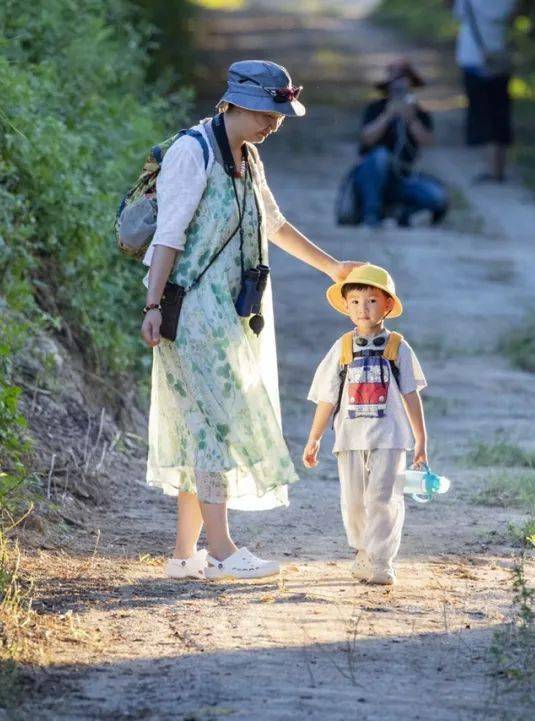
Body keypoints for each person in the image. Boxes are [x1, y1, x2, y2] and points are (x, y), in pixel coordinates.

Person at [139, 60, 361, 581]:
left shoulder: (248, 156)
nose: (275, 122)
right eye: (268, 111)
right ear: (235, 102)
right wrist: (152, 307)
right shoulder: (192, 153)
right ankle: (221, 550)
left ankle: (183, 555)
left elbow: (274, 224)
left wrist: (332, 267)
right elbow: (167, 237)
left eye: (280, 114)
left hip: (233, 313)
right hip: (191, 311)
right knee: (211, 423)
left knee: (203, 424)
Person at [302, 265, 428, 586]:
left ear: (387, 305)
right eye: (355, 302)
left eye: (371, 301)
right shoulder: (343, 347)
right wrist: (314, 438)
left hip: (389, 437)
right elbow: (327, 398)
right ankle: (362, 551)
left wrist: (420, 440)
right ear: (346, 307)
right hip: (350, 438)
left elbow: (412, 395)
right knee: (355, 501)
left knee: (384, 498)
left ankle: (382, 560)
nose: (363, 309)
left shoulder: (397, 346)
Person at [354, 59, 447, 228]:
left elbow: (428, 142)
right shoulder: (376, 108)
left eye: (404, 78)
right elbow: (366, 138)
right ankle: (371, 215)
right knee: (380, 156)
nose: (399, 83)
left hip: (403, 178)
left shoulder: (418, 113)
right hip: (372, 178)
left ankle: (400, 217)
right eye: (395, 78)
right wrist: (387, 116)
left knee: (436, 196)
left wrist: (411, 120)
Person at [453, 0, 517, 182]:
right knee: (500, 113)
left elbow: (458, 14)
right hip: (499, 58)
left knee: (480, 114)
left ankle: (489, 167)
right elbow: (513, 16)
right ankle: (499, 167)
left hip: (472, 58)